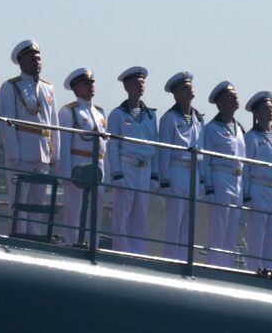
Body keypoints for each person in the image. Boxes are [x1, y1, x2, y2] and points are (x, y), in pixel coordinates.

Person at [0, 39, 56, 238]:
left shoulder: (48, 88)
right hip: (23, 151)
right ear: (21, 62)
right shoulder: (11, 87)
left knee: (37, 203)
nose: (36, 63)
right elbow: (7, 123)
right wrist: (14, 155)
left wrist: (54, 154)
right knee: (19, 201)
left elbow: (54, 124)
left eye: (38, 59)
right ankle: (17, 236)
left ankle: (35, 237)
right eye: (31, 59)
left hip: (43, 153)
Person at [106, 66, 157, 255]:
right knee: (122, 213)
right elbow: (113, 146)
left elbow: (156, 146)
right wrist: (117, 174)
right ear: (127, 87)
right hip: (127, 166)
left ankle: (139, 252)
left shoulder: (151, 116)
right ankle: (121, 250)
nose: (140, 86)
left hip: (144, 169)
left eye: (142, 83)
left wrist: (155, 176)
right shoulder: (118, 114)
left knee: (141, 213)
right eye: (136, 83)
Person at [156, 71, 203, 261]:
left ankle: (184, 259)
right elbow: (164, 152)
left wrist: (202, 180)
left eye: (190, 85)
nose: (190, 88)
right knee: (175, 220)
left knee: (189, 223)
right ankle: (171, 259)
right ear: (176, 93)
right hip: (177, 169)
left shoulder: (198, 118)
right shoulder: (169, 118)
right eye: (185, 87)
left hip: (194, 172)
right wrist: (165, 180)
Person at [58, 67, 107, 247]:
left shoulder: (100, 112)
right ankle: (73, 243)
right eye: (86, 83)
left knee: (96, 209)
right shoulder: (69, 112)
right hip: (78, 165)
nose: (90, 86)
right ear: (76, 87)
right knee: (75, 209)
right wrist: (66, 174)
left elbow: (104, 146)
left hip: (98, 165)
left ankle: (92, 244)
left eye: (91, 83)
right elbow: (64, 144)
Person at [200, 81, 247, 267]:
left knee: (231, 230)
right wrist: (209, 187)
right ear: (219, 103)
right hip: (220, 177)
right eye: (230, 96)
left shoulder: (239, 129)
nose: (235, 98)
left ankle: (226, 265)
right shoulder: (212, 129)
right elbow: (206, 161)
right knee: (218, 229)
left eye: (235, 94)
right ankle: (215, 265)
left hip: (237, 180)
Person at [243, 91, 272, 272]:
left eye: (271, 107)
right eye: (265, 108)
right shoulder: (251, 137)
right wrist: (247, 195)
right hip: (259, 186)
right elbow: (245, 168)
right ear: (257, 113)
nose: (270, 111)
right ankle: (256, 269)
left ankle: (271, 269)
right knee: (257, 234)